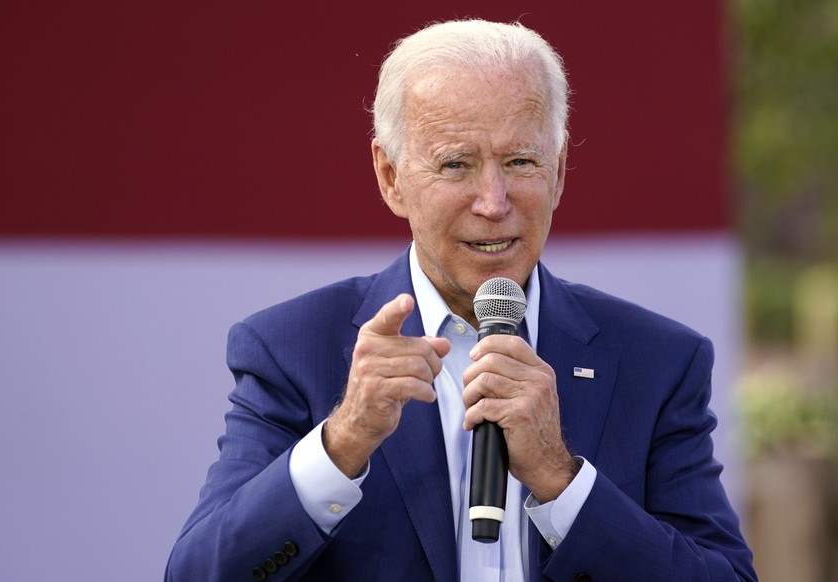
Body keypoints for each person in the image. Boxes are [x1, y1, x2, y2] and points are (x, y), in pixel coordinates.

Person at [165, 19, 757, 581]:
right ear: (390, 176)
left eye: (520, 162)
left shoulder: (657, 360)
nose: (493, 201)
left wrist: (560, 479)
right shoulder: (293, 348)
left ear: (560, 169)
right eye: (456, 165)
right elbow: (198, 573)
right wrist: (344, 438)